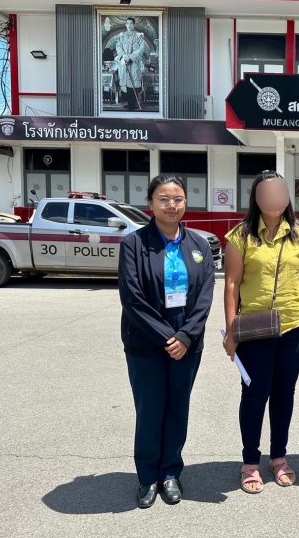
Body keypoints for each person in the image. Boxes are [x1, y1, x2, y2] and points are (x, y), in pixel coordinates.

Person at [118, 175, 216, 508]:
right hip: (146, 342)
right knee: (150, 410)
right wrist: (167, 338)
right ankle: (147, 477)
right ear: (151, 204)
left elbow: (204, 296)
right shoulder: (134, 244)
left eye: (177, 199)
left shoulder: (199, 245)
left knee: (177, 408)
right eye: (163, 199)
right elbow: (132, 299)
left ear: (185, 202)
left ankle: (171, 472)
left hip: (187, 341)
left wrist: (186, 336)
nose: (171, 205)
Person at [223, 170, 299, 494]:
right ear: (257, 198)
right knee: (254, 395)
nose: (274, 199)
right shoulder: (241, 236)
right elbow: (232, 285)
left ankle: (279, 457)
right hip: (254, 329)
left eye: (279, 192)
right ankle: (250, 462)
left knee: (283, 394)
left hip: (293, 326)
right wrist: (232, 330)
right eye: (266, 193)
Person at [115, 17, 147, 111]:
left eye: (131, 23)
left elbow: (141, 49)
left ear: (134, 25)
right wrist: (124, 56)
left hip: (134, 63)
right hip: (124, 62)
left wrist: (131, 57)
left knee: (133, 82)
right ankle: (129, 103)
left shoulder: (138, 36)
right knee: (126, 83)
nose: (129, 25)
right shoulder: (121, 36)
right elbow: (118, 46)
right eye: (127, 23)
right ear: (125, 25)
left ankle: (133, 104)